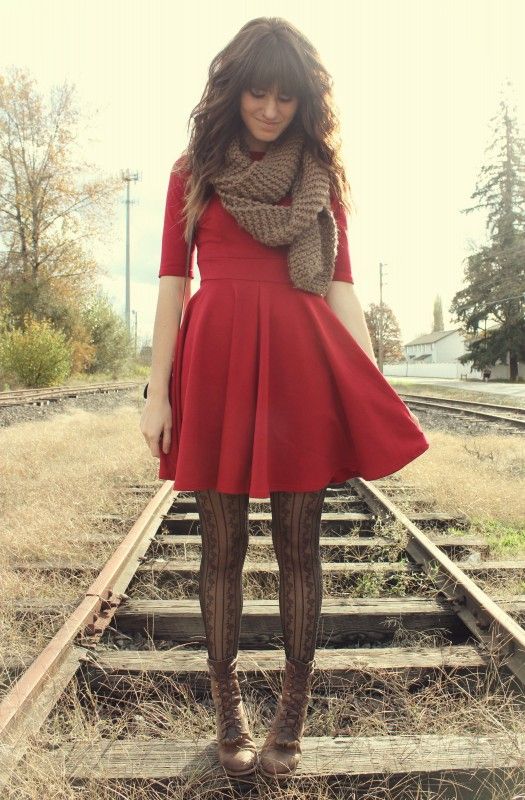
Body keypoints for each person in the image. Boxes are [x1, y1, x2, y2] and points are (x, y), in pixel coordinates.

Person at [140, 17, 430, 780]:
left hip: (300, 367)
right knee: (220, 549)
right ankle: (228, 711)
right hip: (215, 366)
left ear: (306, 102)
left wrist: (368, 388)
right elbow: (173, 286)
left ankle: (290, 718)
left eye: (285, 99)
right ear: (231, 93)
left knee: (298, 548)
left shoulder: (319, 180)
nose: (269, 110)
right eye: (257, 95)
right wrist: (156, 391)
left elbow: (340, 289)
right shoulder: (191, 171)